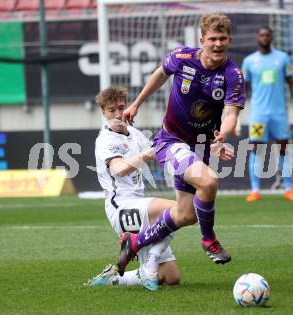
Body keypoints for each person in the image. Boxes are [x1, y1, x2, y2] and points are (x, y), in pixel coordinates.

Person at [118, 12, 244, 276]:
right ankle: (209, 240)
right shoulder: (182, 57)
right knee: (208, 182)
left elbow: (231, 112)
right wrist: (136, 103)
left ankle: (136, 241)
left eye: (223, 39)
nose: (218, 44)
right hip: (171, 140)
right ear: (202, 40)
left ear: (229, 39)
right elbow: (160, 74)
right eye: (213, 39)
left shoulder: (232, 74)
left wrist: (225, 132)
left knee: (186, 214)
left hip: (201, 146)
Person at [85, 85, 181, 291]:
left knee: (171, 276)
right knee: (180, 210)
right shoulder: (104, 140)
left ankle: (113, 278)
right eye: (111, 110)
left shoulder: (135, 134)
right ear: (103, 113)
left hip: (139, 204)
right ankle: (145, 253)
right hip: (121, 208)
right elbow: (120, 169)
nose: (118, 114)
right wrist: (145, 155)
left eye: (121, 107)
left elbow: (160, 152)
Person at [242, 26, 293, 202]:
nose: (264, 37)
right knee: (256, 148)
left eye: (267, 35)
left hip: (279, 114)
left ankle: (288, 188)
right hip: (258, 115)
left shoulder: (282, 58)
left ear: (271, 37)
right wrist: (235, 112)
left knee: (283, 148)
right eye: (261, 35)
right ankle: (255, 190)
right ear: (257, 37)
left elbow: (291, 83)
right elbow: (243, 88)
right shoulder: (249, 61)